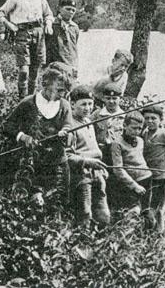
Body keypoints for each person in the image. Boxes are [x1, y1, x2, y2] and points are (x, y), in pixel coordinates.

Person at [1, 68, 72, 207]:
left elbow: (69, 126)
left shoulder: (64, 105)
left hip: (57, 162)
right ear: (45, 84)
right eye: (58, 90)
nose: (62, 94)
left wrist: (66, 132)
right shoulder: (28, 103)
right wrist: (22, 136)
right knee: (30, 201)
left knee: (57, 200)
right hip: (32, 162)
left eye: (64, 91)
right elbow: (7, 125)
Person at [0, 0, 54, 97]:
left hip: (38, 33)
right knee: (24, 71)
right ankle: (22, 98)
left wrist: (48, 24)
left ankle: (31, 98)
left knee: (34, 70)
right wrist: (9, 24)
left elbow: (48, 14)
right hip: (22, 34)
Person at [66, 85, 110, 227]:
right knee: (84, 213)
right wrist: (87, 161)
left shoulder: (89, 122)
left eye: (90, 104)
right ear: (72, 104)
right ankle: (82, 242)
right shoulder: (69, 125)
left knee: (103, 214)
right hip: (81, 175)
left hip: (97, 173)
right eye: (83, 104)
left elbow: (94, 148)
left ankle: (100, 242)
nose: (88, 108)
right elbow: (67, 156)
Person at [109, 111, 154, 227]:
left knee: (147, 214)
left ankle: (143, 239)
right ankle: (125, 237)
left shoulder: (140, 141)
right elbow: (118, 169)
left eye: (139, 129)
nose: (136, 132)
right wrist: (135, 186)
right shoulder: (117, 143)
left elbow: (140, 160)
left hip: (147, 180)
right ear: (124, 126)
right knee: (132, 213)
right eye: (133, 128)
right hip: (131, 184)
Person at [90, 81, 125, 164]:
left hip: (118, 154)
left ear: (120, 98)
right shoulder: (96, 115)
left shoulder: (124, 116)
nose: (111, 101)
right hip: (100, 152)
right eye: (108, 98)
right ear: (103, 98)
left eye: (114, 98)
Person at [44, 0, 80, 73]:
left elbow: (73, 45)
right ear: (60, 8)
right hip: (55, 64)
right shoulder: (52, 24)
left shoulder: (74, 27)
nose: (71, 12)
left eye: (73, 10)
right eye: (68, 9)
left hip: (70, 64)